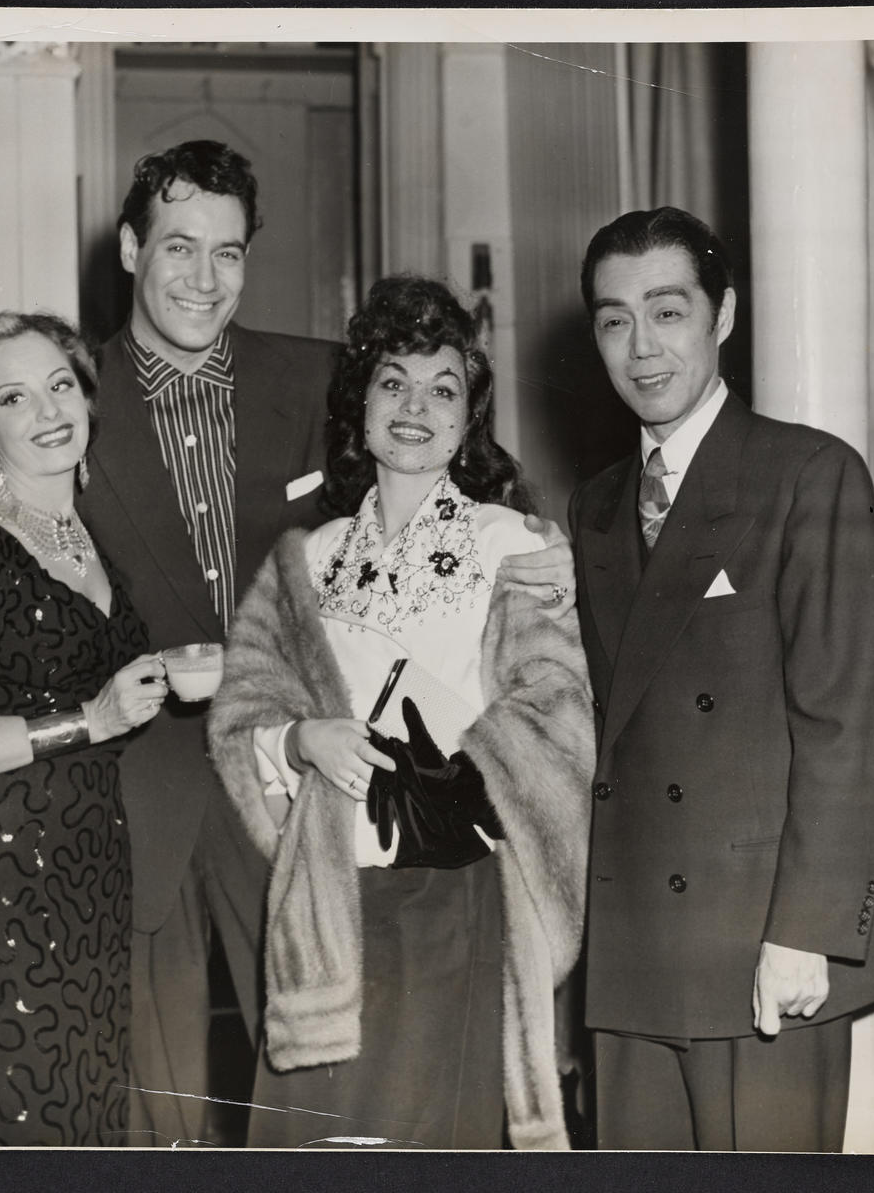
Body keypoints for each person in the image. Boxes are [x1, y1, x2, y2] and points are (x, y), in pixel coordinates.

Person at [0, 141, 575, 1144]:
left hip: (292, 797)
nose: (204, 277)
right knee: (155, 1107)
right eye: (178, 247)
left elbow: (464, 507)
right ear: (128, 248)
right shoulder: (70, 395)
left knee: (315, 1091)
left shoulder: (330, 381)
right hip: (125, 797)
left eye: (229, 251)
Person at [207, 276, 594, 1149]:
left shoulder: (514, 544)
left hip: (450, 895)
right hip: (325, 899)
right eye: (394, 382)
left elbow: (560, 714)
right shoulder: (307, 558)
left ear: (468, 418)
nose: (417, 407)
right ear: (361, 404)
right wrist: (301, 741)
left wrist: (465, 769)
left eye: (443, 388)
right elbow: (240, 716)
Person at [568, 208, 874, 1151]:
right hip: (635, 949)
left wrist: (806, 931)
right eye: (613, 320)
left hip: (765, 946)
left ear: (723, 316)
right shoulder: (591, 506)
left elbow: (854, 721)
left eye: (667, 312)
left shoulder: (808, 474)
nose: (641, 348)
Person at [0, 311, 168, 1145]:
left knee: (78, 1125)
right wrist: (91, 719)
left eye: (61, 385)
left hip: (81, 875)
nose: (49, 411)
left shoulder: (79, 532)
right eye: (15, 397)